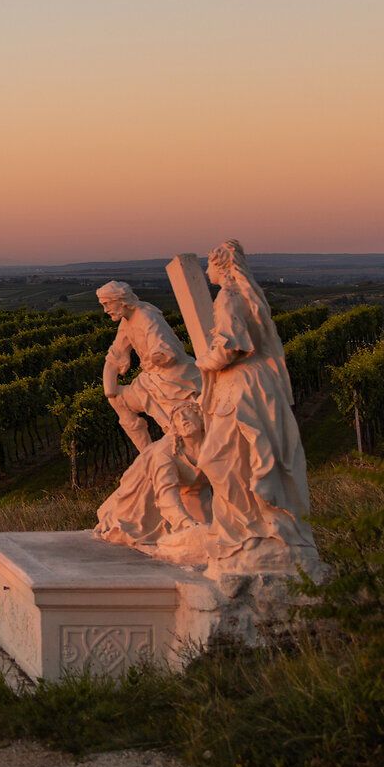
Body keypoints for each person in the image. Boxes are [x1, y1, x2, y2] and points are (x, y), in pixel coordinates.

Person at [187, 240, 320, 576]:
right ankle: (254, 527)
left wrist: (204, 361)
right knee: (244, 457)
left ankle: (250, 530)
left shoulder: (228, 297)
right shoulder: (249, 294)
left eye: (209, 266)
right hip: (256, 384)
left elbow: (230, 347)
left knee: (219, 459)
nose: (206, 272)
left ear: (221, 266)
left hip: (241, 386)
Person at [97, 280, 202, 451]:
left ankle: (179, 450)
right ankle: (147, 453)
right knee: (118, 399)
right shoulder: (127, 321)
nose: (105, 310)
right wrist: (109, 386)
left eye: (107, 304)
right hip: (151, 379)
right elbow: (116, 352)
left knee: (181, 427)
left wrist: (157, 356)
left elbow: (166, 350)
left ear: (120, 299)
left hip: (171, 378)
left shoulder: (146, 316)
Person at [96, 399, 210, 553]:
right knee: (144, 529)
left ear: (201, 417)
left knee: (214, 532)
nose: (183, 419)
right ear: (175, 428)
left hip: (193, 493)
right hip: (145, 490)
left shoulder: (214, 446)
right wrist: (185, 522)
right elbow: (166, 494)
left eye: (187, 413)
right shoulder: (165, 454)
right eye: (177, 417)